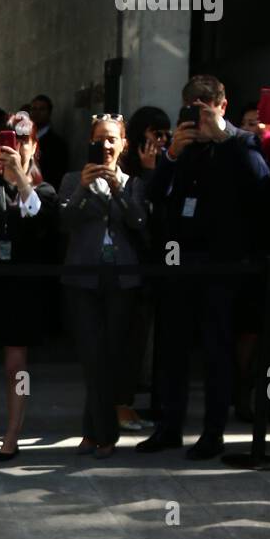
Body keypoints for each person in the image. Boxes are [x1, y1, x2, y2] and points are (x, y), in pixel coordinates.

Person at [137, 74, 270, 460]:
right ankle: (169, 427)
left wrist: (224, 136)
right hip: (179, 259)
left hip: (221, 262)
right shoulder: (184, 147)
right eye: (190, 107)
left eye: (203, 107)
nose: (196, 115)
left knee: (216, 349)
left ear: (221, 107)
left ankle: (213, 432)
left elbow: (260, 183)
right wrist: (172, 155)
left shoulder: (242, 144)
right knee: (173, 348)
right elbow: (155, 194)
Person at [0, 111, 59, 462]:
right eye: (11, 142)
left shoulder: (43, 188)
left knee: (17, 366)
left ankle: (12, 436)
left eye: (25, 142)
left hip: (22, 286)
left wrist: (21, 179)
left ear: (35, 145)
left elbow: (42, 222)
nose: (17, 148)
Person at [58, 114, 150, 459]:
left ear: (124, 143)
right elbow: (64, 220)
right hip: (82, 279)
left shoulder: (134, 183)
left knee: (110, 356)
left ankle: (91, 431)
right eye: (100, 139)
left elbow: (139, 221)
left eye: (113, 139)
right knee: (91, 355)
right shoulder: (72, 179)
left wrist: (118, 189)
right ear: (91, 144)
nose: (107, 146)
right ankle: (105, 434)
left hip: (121, 279)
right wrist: (84, 188)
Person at [117, 105, 172, 432]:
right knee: (130, 338)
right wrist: (150, 174)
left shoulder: (168, 164)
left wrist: (157, 171)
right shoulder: (126, 170)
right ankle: (121, 401)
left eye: (166, 133)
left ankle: (151, 400)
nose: (162, 140)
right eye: (156, 133)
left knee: (150, 338)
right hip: (131, 262)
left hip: (161, 262)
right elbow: (137, 218)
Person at [28, 94, 69, 192]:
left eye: (42, 109)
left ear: (49, 113)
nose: (37, 113)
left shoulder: (57, 144)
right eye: (34, 109)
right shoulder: (24, 140)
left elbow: (56, 176)